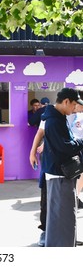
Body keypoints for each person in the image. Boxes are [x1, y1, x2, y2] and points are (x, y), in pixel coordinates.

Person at [41, 88, 83, 247]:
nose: (74, 109)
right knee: (64, 217)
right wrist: (81, 142)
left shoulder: (56, 117)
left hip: (59, 174)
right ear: (66, 101)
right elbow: (66, 147)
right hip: (60, 175)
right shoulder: (54, 121)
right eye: (73, 105)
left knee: (60, 217)